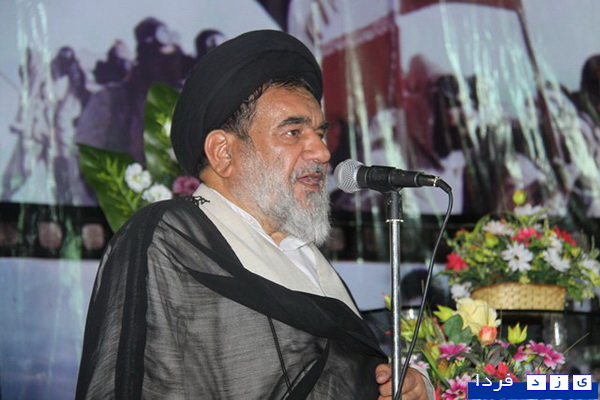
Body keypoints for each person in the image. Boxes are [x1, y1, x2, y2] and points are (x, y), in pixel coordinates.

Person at [75, 30, 433, 399]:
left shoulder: (304, 255)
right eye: (293, 132)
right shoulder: (170, 238)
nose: (322, 153)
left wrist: (410, 386)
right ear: (223, 152)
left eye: (319, 133)